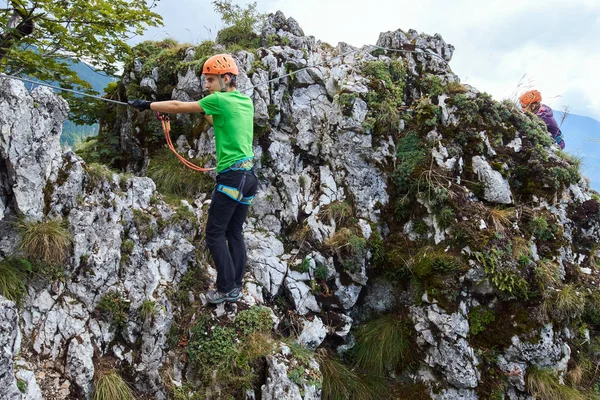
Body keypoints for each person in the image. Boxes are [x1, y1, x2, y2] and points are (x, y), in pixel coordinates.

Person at [129, 54, 257, 304]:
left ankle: (225, 289)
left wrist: (148, 104)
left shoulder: (219, 99)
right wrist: (201, 110)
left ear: (226, 78)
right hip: (249, 178)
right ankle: (235, 285)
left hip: (231, 177)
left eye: (210, 80)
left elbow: (178, 106)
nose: (206, 85)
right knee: (234, 232)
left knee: (214, 233)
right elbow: (215, 119)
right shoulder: (245, 102)